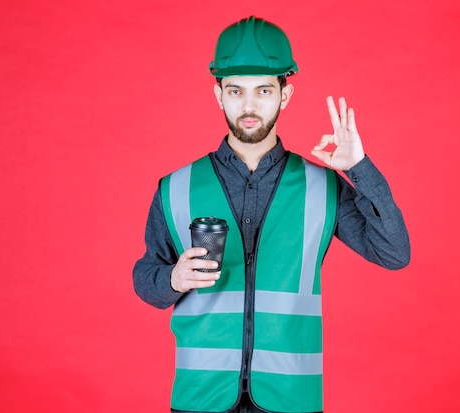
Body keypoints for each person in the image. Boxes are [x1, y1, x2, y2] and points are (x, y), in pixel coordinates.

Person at [133, 15, 410, 413]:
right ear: (219, 96)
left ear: (285, 95)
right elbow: (145, 277)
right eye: (235, 91)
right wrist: (173, 278)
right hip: (200, 397)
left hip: (290, 398)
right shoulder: (175, 187)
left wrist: (359, 168)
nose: (248, 105)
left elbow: (394, 253)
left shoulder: (323, 186)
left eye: (263, 90)